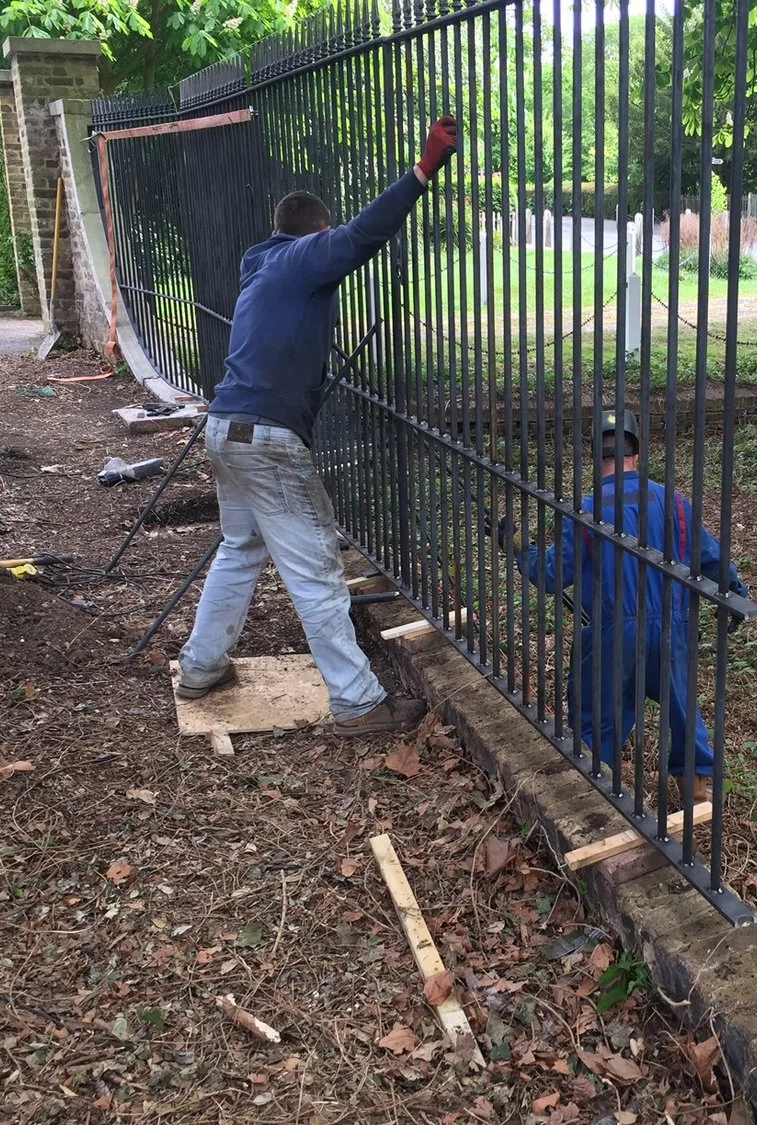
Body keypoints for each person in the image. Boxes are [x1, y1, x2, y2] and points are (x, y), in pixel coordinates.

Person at [175, 116, 459, 737]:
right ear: (315, 234)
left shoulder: (261, 265)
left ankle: (200, 668)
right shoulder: (305, 258)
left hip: (226, 428)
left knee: (239, 548)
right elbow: (363, 235)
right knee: (317, 569)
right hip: (269, 442)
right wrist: (423, 170)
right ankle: (358, 703)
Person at [503, 409, 749, 802]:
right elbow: (711, 558)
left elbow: (551, 575)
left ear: (594, 454)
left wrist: (519, 548)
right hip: (673, 627)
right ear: (637, 451)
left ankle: (595, 792)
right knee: (683, 710)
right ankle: (697, 791)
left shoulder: (587, 510)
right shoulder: (674, 502)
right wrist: (736, 594)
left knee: (595, 716)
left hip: (613, 632)